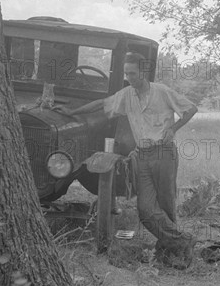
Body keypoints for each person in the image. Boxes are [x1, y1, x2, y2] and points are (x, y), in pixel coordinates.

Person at [68, 52, 198, 267]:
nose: (128, 77)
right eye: (126, 73)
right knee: (146, 209)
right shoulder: (126, 95)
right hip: (142, 156)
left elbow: (190, 108)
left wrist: (173, 129)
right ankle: (183, 241)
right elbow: (102, 104)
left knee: (166, 204)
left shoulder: (162, 92)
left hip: (164, 154)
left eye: (132, 73)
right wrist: (72, 112)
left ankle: (169, 252)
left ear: (144, 72)